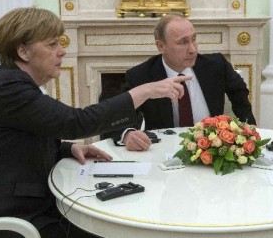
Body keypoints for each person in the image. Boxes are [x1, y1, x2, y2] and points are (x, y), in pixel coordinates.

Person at [0, 7, 190, 238]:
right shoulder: (9, 89)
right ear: (23, 52)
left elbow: (21, 141)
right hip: (7, 219)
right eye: (52, 45)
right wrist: (145, 91)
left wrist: (69, 147)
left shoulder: (14, 84)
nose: (62, 51)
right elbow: (76, 122)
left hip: (28, 206)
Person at [101, 14, 256, 151]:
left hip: (212, 150)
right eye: (183, 42)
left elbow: (240, 94)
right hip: (163, 152)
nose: (193, 49)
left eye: (194, 39)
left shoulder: (216, 65)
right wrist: (127, 134)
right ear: (161, 46)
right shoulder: (141, 75)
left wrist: (248, 127)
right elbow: (111, 111)